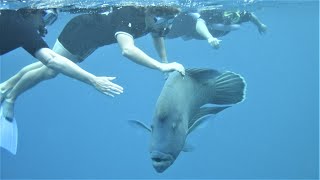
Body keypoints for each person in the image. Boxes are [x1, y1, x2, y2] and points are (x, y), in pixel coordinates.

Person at [0, 5, 186, 120]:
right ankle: (10, 96)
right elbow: (127, 50)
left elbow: (157, 35)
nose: (162, 25)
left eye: (167, 21)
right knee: (50, 70)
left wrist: (165, 61)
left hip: (93, 40)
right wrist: (160, 66)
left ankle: (5, 87)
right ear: (149, 12)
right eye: (160, 20)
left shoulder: (156, 20)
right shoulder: (131, 15)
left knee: (46, 65)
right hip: (81, 30)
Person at [0, 9, 125, 120]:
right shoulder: (21, 27)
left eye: (51, 20)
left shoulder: (16, 22)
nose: (44, 24)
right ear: (31, 11)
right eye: (46, 17)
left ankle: (4, 89)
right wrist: (93, 80)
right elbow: (52, 60)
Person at [166, 9, 267, 50]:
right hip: (194, 29)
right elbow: (199, 23)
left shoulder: (239, 15)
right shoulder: (214, 13)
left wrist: (260, 25)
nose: (229, 19)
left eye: (234, 17)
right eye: (228, 15)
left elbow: (250, 16)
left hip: (213, 32)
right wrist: (210, 38)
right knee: (168, 34)